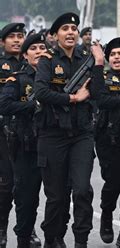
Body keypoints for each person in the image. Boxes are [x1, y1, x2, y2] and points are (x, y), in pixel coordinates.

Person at [34, 12, 104, 247]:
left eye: (74, 28)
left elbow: (98, 94)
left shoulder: (87, 58)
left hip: (81, 134)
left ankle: (81, 241)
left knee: (83, 190)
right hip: (52, 135)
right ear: (55, 35)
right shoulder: (47, 60)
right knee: (56, 197)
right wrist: (73, 98)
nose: (71, 32)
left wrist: (99, 63)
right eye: (65, 28)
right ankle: (53, 238)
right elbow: (41, 93)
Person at [0, 33, 45, 248]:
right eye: (33, 48)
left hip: (53, 141)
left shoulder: (57, 76)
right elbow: (5, 105)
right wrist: (33, 106)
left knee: (60, 195)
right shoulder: (17, 78)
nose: (39, 52)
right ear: (26, 55)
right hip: (22, 141)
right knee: (19, 191)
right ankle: (18, 233)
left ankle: (53, 237)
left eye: (42, 48)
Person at [94, 37, 120, 247]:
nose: (117, 58)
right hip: (107, 139)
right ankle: (107, 215)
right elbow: (102, 101)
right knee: (113, 184)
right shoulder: (102, 77)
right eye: (113, 55)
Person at [0, 22, 25, 248]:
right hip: (4, 132)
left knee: (26, 186)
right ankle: (2, 229)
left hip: (28, 131)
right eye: (12, 37)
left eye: (20, 36)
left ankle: (27, 229)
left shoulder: (34, 64)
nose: (17, 40)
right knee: (6, 184)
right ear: (2, 42)